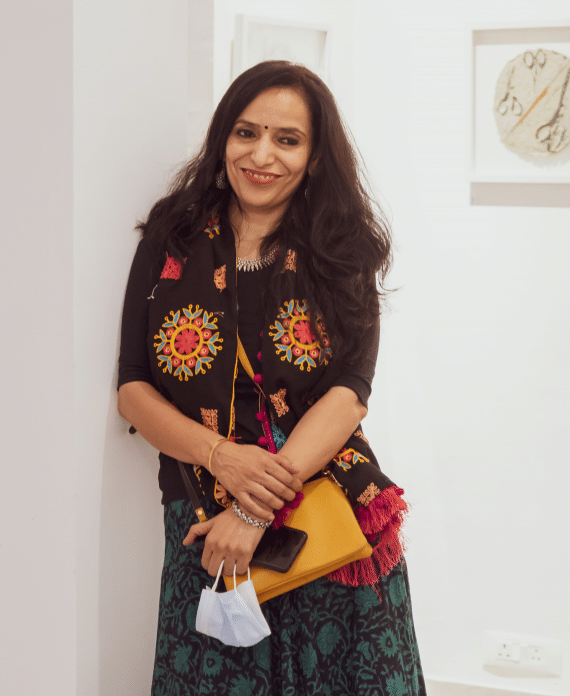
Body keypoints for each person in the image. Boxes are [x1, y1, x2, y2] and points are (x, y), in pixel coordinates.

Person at [118, 60, 426, 696]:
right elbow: (133, 387)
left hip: (323, 519)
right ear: (222, 139)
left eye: (287, 139)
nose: (262, 156)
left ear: (314, 157)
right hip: (204, 524)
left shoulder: (342, 248)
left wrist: (255, 511)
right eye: (246, 132)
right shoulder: (173, 237)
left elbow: (349, 393)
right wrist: (222, 457)